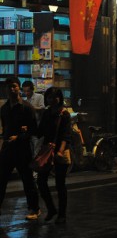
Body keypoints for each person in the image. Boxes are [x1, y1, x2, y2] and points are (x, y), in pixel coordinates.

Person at [0, 76, 41, 220]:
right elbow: (5, 128)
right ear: (5, 89)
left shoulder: (26, 107)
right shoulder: (4, 108)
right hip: (7, 149)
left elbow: (34, 130)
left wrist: (19, 137)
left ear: (19, 88)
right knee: (1, 179)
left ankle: (34, 209)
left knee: (27, 180)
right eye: (9, 87)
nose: (12, 89)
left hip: (22, 149)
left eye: (15, 86)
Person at [36, 87, 72, 224]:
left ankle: (62, 214)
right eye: (50, 97)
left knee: (60, 183)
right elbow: (40, 132)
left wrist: (60, 151)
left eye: (55, 96)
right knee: (41, 181)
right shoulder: (46, 113)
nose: (52, 99)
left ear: (60, 98)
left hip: (60, 152)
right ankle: (51, 208)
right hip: (47, 151)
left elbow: (65, 136)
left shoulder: (64, 114)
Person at [22, 80, 45, 158]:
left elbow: (42, 108)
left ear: (32, 89)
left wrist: (31, 108)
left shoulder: (39, 97)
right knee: (31, 150)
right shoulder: (25, 100)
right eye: (24, 91)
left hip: (38, 127)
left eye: (28, 91)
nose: (26, 93)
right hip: (30, 128)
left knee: (37, 150)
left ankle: (37, 169)